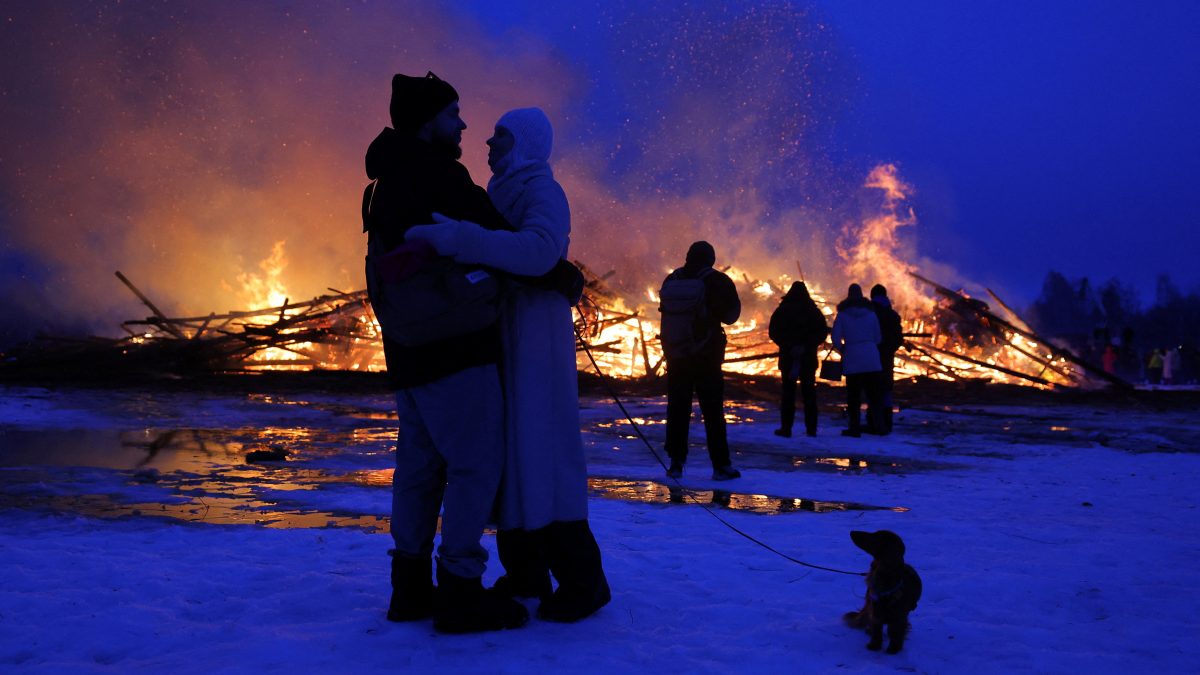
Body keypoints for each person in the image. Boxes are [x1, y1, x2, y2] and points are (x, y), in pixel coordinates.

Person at [406, 107, 610, 622]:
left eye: (500, 136)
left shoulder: (544, 190)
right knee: (513, 458)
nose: (488, 144)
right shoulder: (501, 191)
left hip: (536, 345)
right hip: (504, 338)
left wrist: (462, 239)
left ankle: (585, 583)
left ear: (525, 142)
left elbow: (540, 252)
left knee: (544, 454)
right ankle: (525, 574)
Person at [362, 71, 527, 633]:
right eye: (454, 113)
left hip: (408, 354)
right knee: (476, 465)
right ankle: (459, 588)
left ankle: (409, 588)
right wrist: (558, 275)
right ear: (428, 119)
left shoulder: (385, 182)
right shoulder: (438, 174)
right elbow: (500, 237)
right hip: (456, 348)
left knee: (419, 471)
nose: (463, 125)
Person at [660, 241, 742, 480]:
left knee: (677, 409)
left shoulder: (672, 279)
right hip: (706, 355)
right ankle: (721, 466)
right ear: (711, 259)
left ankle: (676, 463)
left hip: (677, 356)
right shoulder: (717, 281)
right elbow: (731, 316)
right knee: (713, 412)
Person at [767, 281, 828, 438]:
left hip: (788, 357)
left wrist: (789, 345)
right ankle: (811, 429)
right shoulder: (813, 311)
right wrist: (807, 345)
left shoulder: (783, 310)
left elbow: (773, 332)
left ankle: (786, 428)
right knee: (809, 394)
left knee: (788, 394)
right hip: (807, 358)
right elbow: (822, 332)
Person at [831, 284, 882, 438]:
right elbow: (878, 337)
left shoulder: (842, 314)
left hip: (852, 357)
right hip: (871, 358)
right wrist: (869, 346)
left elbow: (835, 337)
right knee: (873, 395)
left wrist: (843, 349)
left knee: (853, 396)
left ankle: (854, 428)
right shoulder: (871, 314)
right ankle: (877, 426)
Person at [868, 284, 903, 435]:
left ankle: (873, 423)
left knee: (872, 389)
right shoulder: (893, 315)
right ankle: (887, 423)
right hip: (887, 357)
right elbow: (898, 339)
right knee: (886, 389)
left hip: (871, 355)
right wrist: (890, 349)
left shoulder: (869, 313)